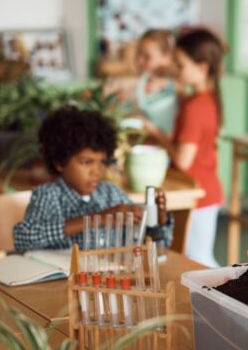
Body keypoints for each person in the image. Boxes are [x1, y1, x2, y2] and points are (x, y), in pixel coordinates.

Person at [13, 107, 171, 253]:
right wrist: (98, 219)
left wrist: (156, 221)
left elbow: (157, 247)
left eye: (102, 162)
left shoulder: (112, 194)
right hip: (62, 282)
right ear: (60, 162)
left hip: (109, 280)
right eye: (86, 162)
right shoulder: (48, 195)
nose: (97, 171)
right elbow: (23, 239)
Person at [153, 28, 224, 267]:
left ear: (202, 67)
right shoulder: (206, 98)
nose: (175, 69)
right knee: (194, 259)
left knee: (198, 260)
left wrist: (155, 133)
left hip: (197, 193)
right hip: (201, 190)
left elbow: (183, 160)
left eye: (180, 65)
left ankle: (230, 300)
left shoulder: (197, 106)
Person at [134, 28, 178, 137]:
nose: (140, 60)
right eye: (138, 54)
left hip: (170, 139)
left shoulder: (175, 80)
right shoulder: (143, 80)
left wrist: (167, 83)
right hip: (150, 139)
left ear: (166, 57)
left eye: (147, 56)